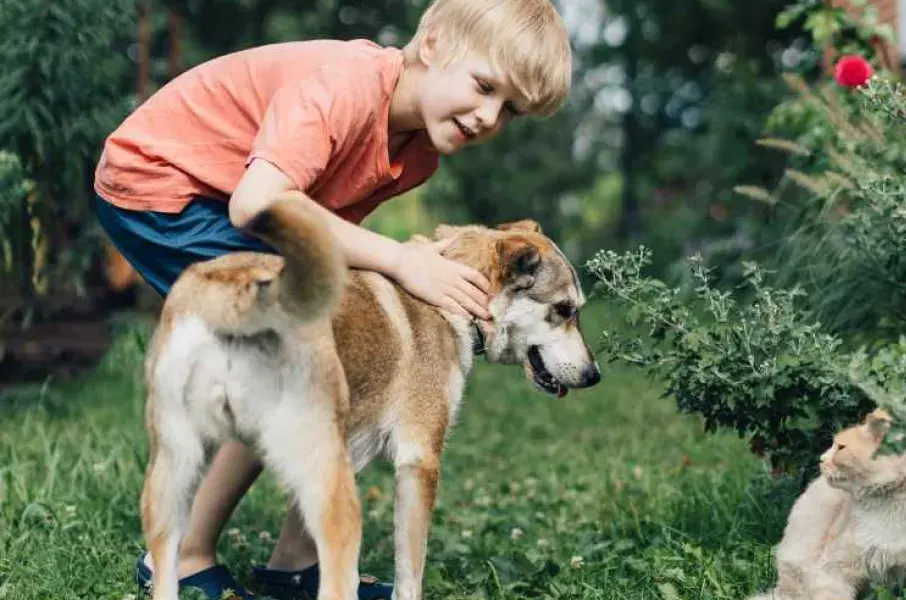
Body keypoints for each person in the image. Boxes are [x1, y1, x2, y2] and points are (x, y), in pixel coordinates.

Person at [94, 0, 572, 598]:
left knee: (330, 341)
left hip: (224, 197)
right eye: (484, 86)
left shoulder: (416, 148)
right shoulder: (345, 87)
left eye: (511, 111)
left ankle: (296, 562)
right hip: (163, 185)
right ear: (432, 44)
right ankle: (186, 554)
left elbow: (326, 233)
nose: (488, 116)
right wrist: (401, 259)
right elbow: (258, 203)